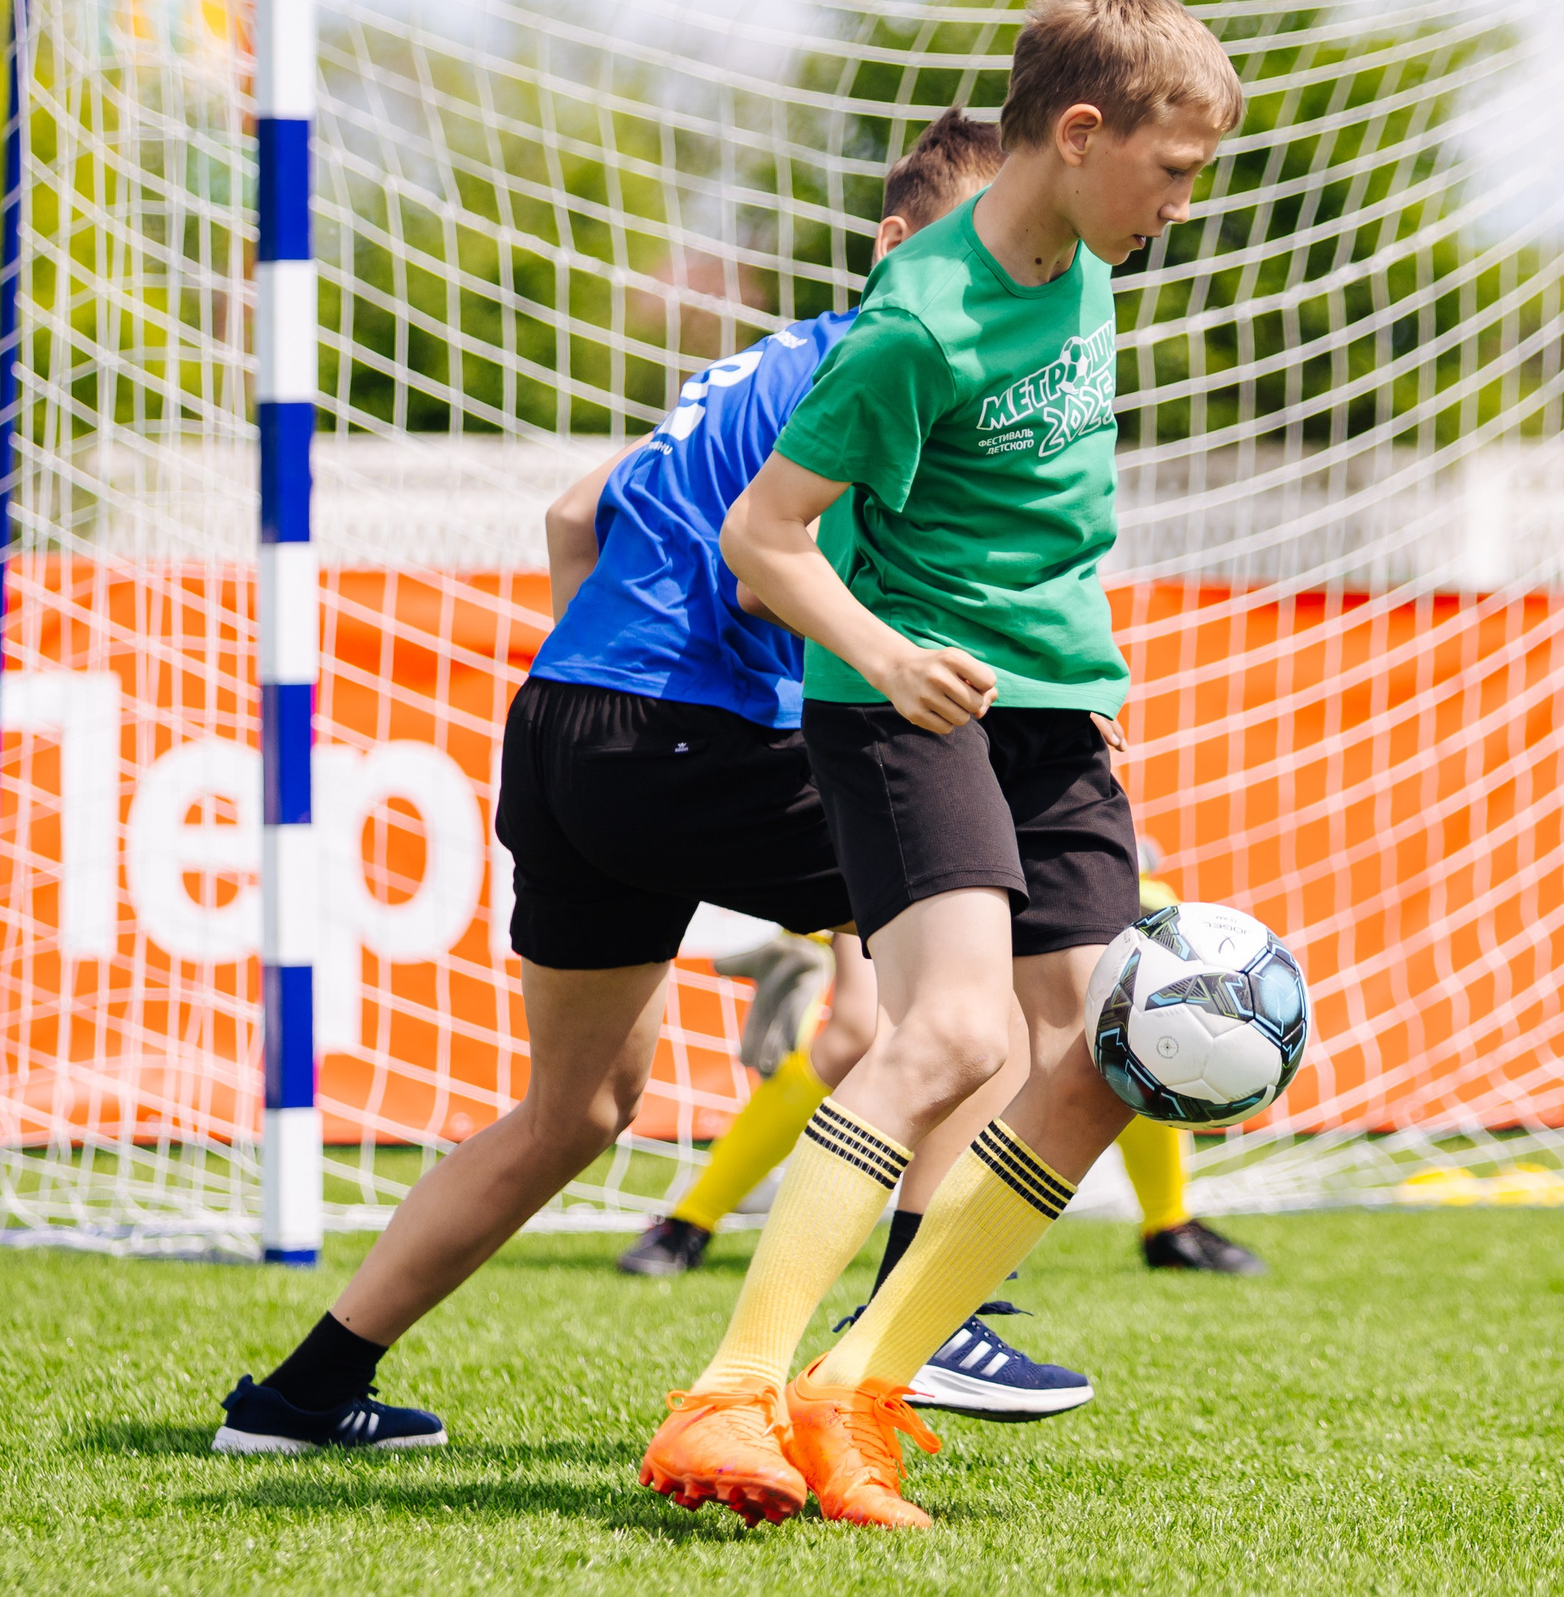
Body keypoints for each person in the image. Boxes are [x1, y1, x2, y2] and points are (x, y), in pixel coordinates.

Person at [210, 109, 1087, 1457]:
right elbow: (757, 570)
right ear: (898, 244)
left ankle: (301, 1395)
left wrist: (610, 689)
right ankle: (935, 1309)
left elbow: (576, 511)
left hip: (566, 721)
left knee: (580, 1113)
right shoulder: (891, 361)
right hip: (685, 731)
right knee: (993, 933)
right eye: (988, 239)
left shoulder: (762, 362)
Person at [638, 0, 1243, 1529]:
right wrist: (893, 656)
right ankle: (733, 1389)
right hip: (907, 710)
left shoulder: (1092, 255)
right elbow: (764, 536)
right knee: (957, 1038)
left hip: (1058, 720)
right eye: (1173, 170)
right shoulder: (915, 323)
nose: (1186, 202)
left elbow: (1071, 46)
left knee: (1121, 1052)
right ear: (1086, 135)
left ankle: (862, 1389)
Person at [621, 857, 1267, 1284]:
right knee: (855, 1037)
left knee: (1124, 1016)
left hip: (1033, 843)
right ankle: (690, 1221)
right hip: (923, 848)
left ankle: (1168, 1226)